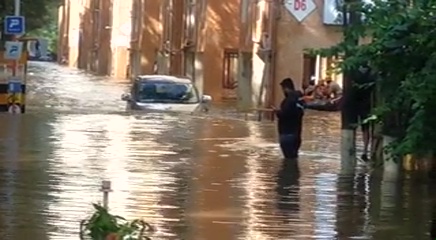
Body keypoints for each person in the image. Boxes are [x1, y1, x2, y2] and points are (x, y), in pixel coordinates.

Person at [273, 78, 304, 159]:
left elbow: (285, 114)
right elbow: (299, 113)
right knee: (294, 158)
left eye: (283, 89)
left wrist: (277, 112)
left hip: (286, 134)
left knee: (288, 160)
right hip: (297, 135)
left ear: (285, 88)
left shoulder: (288, 101)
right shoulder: (300, 99)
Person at [353, 64, 375, 162]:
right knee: (366, 128)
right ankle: (365, 151)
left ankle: (362, 151)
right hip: (367, 105)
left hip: (355, 103)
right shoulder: (372, 73)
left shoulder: (354, 71)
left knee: (354, 127)